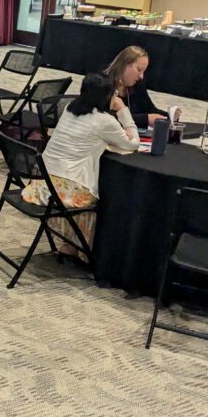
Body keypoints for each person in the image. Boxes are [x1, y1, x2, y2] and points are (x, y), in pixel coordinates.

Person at [21, 73, 140, 259]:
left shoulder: (70, 107)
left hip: (40, 182)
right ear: (107, 96)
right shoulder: (105, 121)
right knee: (97, 198)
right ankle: (86, 252)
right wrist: (123, 110)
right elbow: (133, 144)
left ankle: (71, 244)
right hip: (62, 192)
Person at [104, 45, 166, 127]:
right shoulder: (102, 85)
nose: (141, 76)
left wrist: (169, 117)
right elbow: (105, 119)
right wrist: (145, 119)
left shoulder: (137, 85)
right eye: (139, 70)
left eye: (143, 71)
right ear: (124, 65)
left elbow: (150, 109)